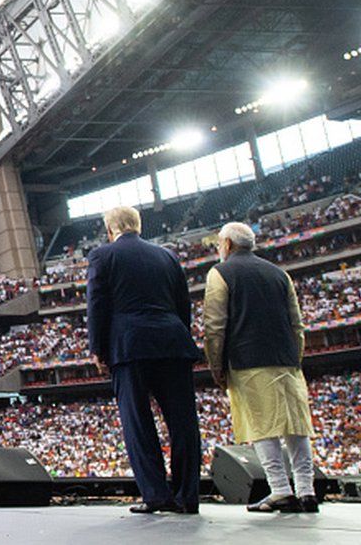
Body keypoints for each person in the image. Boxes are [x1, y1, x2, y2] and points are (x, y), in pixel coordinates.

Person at [87, 206, 203, 514]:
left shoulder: (103, 256)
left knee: (138, 422)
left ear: (110, 230)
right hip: (172, 341)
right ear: (138, 225)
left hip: (129, 346)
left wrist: (97, 348)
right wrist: (179, 336)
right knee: (183, 422)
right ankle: (187, 496)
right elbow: (183, 305)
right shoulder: (167, 256)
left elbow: (97, 304)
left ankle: (156, 495)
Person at [203, 222, 318, 514]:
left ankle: (280, 490)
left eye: (219, 243)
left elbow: (215, 327)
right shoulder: (280, 275)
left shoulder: (220, 273)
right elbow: (297, 325)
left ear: (227, 245)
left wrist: (216, 366)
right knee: (296, 427)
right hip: (287, 361)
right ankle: (306, 491)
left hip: (248, 361)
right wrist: (296, 357)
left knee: (262, 427)